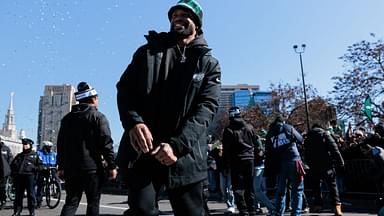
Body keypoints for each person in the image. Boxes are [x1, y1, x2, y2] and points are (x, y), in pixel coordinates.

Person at [115, 0, 221, 215]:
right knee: (141, 211)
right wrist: (134, 122)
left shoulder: (208, 63)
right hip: (144, 152)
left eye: (185, 15)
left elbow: (206, 108)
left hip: (185, 156)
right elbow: (124, 90)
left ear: (197, 24)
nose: (177, 18)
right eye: (174, 15)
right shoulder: (147, 52)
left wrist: (177, 146)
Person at [57, 82, 117, 216]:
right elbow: (106, 143)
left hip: (71, 168)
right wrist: (112, 165)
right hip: (92, 168)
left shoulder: (67, 119)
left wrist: (61, 166)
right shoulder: (98, 117)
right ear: (93, 98)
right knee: (93, 202)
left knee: (71, 202)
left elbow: (61, 145)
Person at [264, 116, 305, 216]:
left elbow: (268, 150)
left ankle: (279, 213)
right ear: (283, 121)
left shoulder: (270, 133)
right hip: (294, 160)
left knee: (281, 190)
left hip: (280, 164)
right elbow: (300, 139)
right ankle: (296, 213)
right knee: (297, 189)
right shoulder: (288, 127)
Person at [222, 107, 257, 216]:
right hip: (249, 159)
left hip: (236, 160)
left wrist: (225, 164)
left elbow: (226, 149)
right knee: (249, 185)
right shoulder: (249, 127)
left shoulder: (228, 130)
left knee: (238, 187)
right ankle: (252, 209)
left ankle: (243, 210)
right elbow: (256, 141)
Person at [304, 123, 344, 216]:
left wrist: (309, 164)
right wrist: (340, 162)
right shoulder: (325, 134)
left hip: (313, 166)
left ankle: (318, 206)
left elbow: (305, 153)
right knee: (332, 186)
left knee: (316, 186)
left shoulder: (308, 137)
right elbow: (334, 149)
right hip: (327, 165)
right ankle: (336, 208)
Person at [10, 138, 40, 216]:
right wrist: (14, 173)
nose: (25, 146)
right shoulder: (19, 156)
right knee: (18, 195)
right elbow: (12, 165)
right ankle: (17, 211)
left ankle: (32, 211)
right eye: (24, 144)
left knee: (31, 194)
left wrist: (34, 168)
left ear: (30, 145)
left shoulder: (35, 155)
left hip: (30, 177)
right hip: (19, 177)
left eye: (26, 144)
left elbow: (41, 166)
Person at [36, 140, 57, 208]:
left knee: (56, 179)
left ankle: (56, 190)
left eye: (51, 147)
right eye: (49, 147)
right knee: (40, 185)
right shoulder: (39, 153)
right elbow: (37, 162)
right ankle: (39, 201)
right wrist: (41, 166)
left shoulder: (53, 154)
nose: (50, 148)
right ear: (45, 147)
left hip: (52, 168)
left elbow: (57, 161)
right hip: (43, 170)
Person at [0, 137, 13, 208]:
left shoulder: (6, 149)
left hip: (3, 172)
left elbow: (10, 159)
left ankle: (3, 200)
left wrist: (9, 169)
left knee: (2, 187)